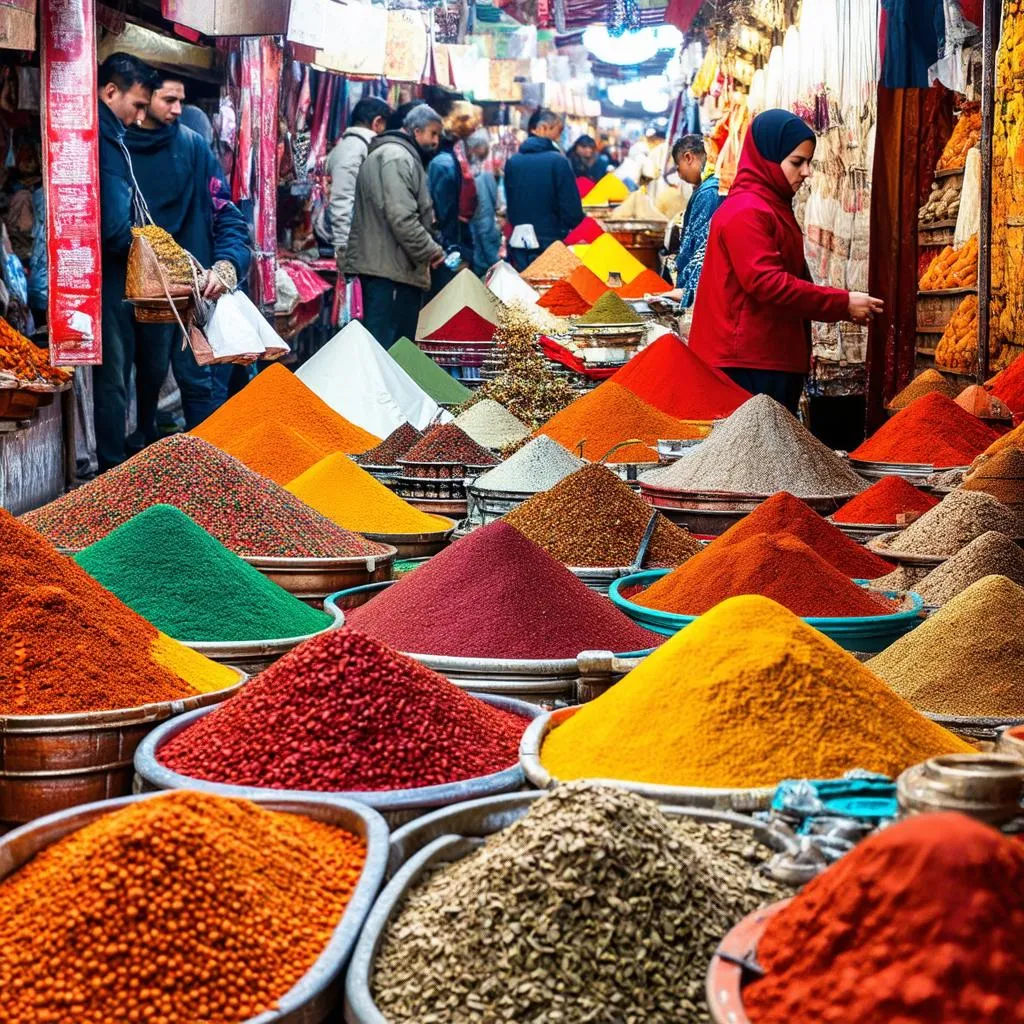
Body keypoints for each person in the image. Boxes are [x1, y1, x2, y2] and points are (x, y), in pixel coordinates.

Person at [688, 109, 884, 413]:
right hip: (748, 364)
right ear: (767, 159)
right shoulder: (747, 210)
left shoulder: (770, 205)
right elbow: (767, 283)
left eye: (808, 162)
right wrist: (842, 303)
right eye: (797, 162)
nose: (806, 172)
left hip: (763, 358)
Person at [125, 73, 251, 432]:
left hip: (194, 292)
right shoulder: (122, 150)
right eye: (168, 100)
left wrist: (226, 265)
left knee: (201, 385)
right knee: (144, 381)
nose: (178, 109)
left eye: (181, 100)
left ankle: (206, 469)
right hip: (141, 295)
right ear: (145, 97)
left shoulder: (195, 148)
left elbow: (227, 215)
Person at [95, 52, 159, 471]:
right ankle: (112, 471)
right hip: (108, 274)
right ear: (110, 90)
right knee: (114, 375)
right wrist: (147, 247)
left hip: (111, 271)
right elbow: (115, 230)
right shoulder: (103, 139)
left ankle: (113, 465)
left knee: (117, 373)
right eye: (137, 105)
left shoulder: (110, 133)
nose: (141, 117)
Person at [345, 103, 445, 350]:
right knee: (390, 349)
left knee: (384, 347)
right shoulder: (398, 158)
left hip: (387, 267)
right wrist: (431, 251)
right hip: (391, 272)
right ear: (415, 130)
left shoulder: (396, 155)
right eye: (432, 133)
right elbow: (402, 219)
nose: (435, 141)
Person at [504, 108, 583, 271]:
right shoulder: (558, 161)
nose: (559, 136)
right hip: (551, 242)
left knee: (525, 290)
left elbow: (511, 204)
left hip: (520, 243)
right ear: (543, 128)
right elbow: (571, 209)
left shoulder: (513, 162)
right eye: (557, 130)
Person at [326, 97, 391, 273]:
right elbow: (342, 197)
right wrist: (343, 247)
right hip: (353, 247)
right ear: (377, 122)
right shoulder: (354, 149)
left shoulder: (354, 146)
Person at [672, 134, 721, 307]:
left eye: (678, 168)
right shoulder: (709, 188)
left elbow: (703, 246)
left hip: (700, 289)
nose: (680, 175)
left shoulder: (709, 193)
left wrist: (687, 290)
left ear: (688, 158)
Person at [465, 129, 501, 275]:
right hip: (485, 219)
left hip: (475, 221)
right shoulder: (484, 172)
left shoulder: (468, 168)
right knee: (489, 258)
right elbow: (494, 199)